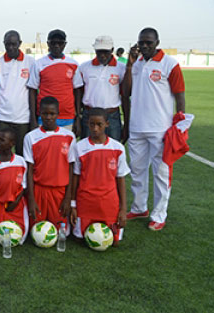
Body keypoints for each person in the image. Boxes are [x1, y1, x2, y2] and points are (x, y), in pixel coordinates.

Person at [122, 28, 186, 231]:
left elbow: (180, 94)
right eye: (142, 42)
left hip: (160, 128)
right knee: (138, 170)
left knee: (161, 172)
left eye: (149, 42)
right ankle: (139, 207)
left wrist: (180, 121)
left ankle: (159, 214)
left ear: (157, 42)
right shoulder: (138, 63)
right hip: (137, 126)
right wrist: (131, 63)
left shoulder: (170, 63)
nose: (145, 46)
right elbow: (128, 90)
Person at [70, 108, 129, 243]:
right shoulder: (79, 147)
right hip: (86, 202)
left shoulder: (118, 148)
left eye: (99, 124)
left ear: (107, 124)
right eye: (92, 124)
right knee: (79, 240)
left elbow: (121, 180)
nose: (95, 128)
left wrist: (123, 209)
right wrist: (73, 205)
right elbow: (75, 177)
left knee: (114, 242)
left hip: (109, 203)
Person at [23, 97, 76, 230]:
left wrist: (68, 197)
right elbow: (29, 169)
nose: (48, 117)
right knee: (36, 230)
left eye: (52, 114)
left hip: (60, 192)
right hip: (39, 190)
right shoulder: (31, 137)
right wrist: (31, 199)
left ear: (58, 114)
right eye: (45, 114)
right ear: (39, 113)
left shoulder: (69, 136)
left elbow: (71, 168)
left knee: (60, 232)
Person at [27, 29, 82, 134]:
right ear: (48, 44)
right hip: (44, 116)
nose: (56, 46)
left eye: (60, 43)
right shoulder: (38, 64)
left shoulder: (73, 64)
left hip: (67, 116)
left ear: (65, 44)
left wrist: (78, 117)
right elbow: (32, 91)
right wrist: (33, 118)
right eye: (53, 43)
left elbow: (78, 91)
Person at [0, 30, 34, 155]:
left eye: (14, 44)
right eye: (7, 44)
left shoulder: (30, 62)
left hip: (23, 118)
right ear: (4, 44)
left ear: (20, 43)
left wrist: (33, 119)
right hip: (2, 117)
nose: (11, 47)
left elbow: (32, 92)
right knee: (1, 151)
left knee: (22, 152)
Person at [74, 36, 127, 141]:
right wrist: (78, 117)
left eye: (105, 52)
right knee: (88, 148)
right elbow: (78, 92)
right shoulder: (84, 67)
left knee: (113, 150)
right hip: (89, 115)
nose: (102, 55)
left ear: (112, 50)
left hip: (111, 116)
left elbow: (125, 95)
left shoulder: (121, 68)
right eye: (99, 51)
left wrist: (126, 122)